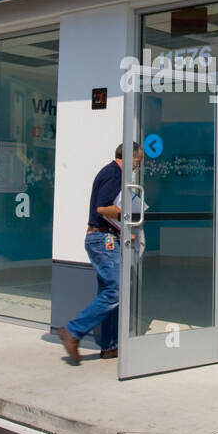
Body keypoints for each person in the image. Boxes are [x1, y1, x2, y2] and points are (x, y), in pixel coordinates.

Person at [56, 142, 142, 364]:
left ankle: (110, 346)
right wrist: (126, 215)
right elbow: (103, 208)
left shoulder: (112, 173)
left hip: (105, 236)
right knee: (115, 290)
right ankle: (73, 332)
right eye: (138, 160)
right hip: (102, 240)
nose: (138, 165)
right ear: (129, 157)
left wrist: (123, 231)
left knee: (110, 292)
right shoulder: (114, 174)